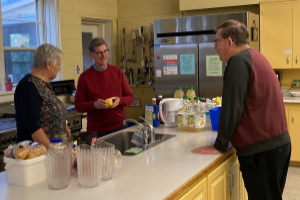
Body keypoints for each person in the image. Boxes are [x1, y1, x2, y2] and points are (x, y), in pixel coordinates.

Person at [192, 20, 291, 200]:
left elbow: (232, 107)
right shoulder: (256, 57)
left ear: (229, 42)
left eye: (216, 42)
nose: (215, 48)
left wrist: (219, 145)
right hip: (278, 145)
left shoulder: (237, 62)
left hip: (262, 152)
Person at [75, 38, 134, 138]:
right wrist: (94, 105)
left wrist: (120, 100)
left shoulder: (117, 72)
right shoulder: (84, 77)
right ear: (91, 54)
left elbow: (130, 98)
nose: (104, 55)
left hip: (119, 127)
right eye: (99, 53)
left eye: (105, 51)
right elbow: (78, 106)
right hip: (96, 131)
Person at [14, 43, 71, 148]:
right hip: (36, 153)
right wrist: (52, 151)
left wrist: (64, 123)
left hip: (52, 151)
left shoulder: (45, 84)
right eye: (58, 65)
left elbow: (49, 108)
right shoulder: (29, 86)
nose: (59, 68)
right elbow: (32, 125)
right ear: (49, 64)